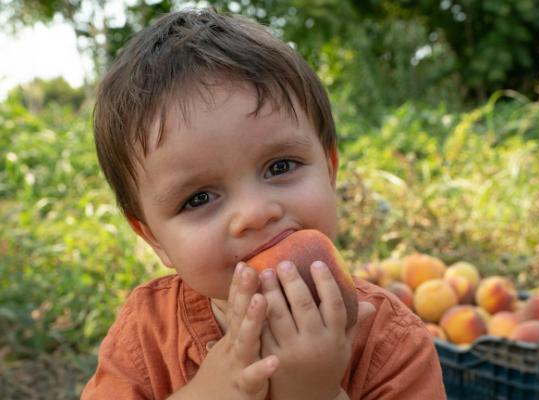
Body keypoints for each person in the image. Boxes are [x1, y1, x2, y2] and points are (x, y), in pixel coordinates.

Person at [81, 7, 446, 400]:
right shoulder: (145, 338)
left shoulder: (391, 343)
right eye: (199, 198)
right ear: (154, 239)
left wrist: (314, 394)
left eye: (280, 166)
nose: (254, 213)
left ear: (330, 168)